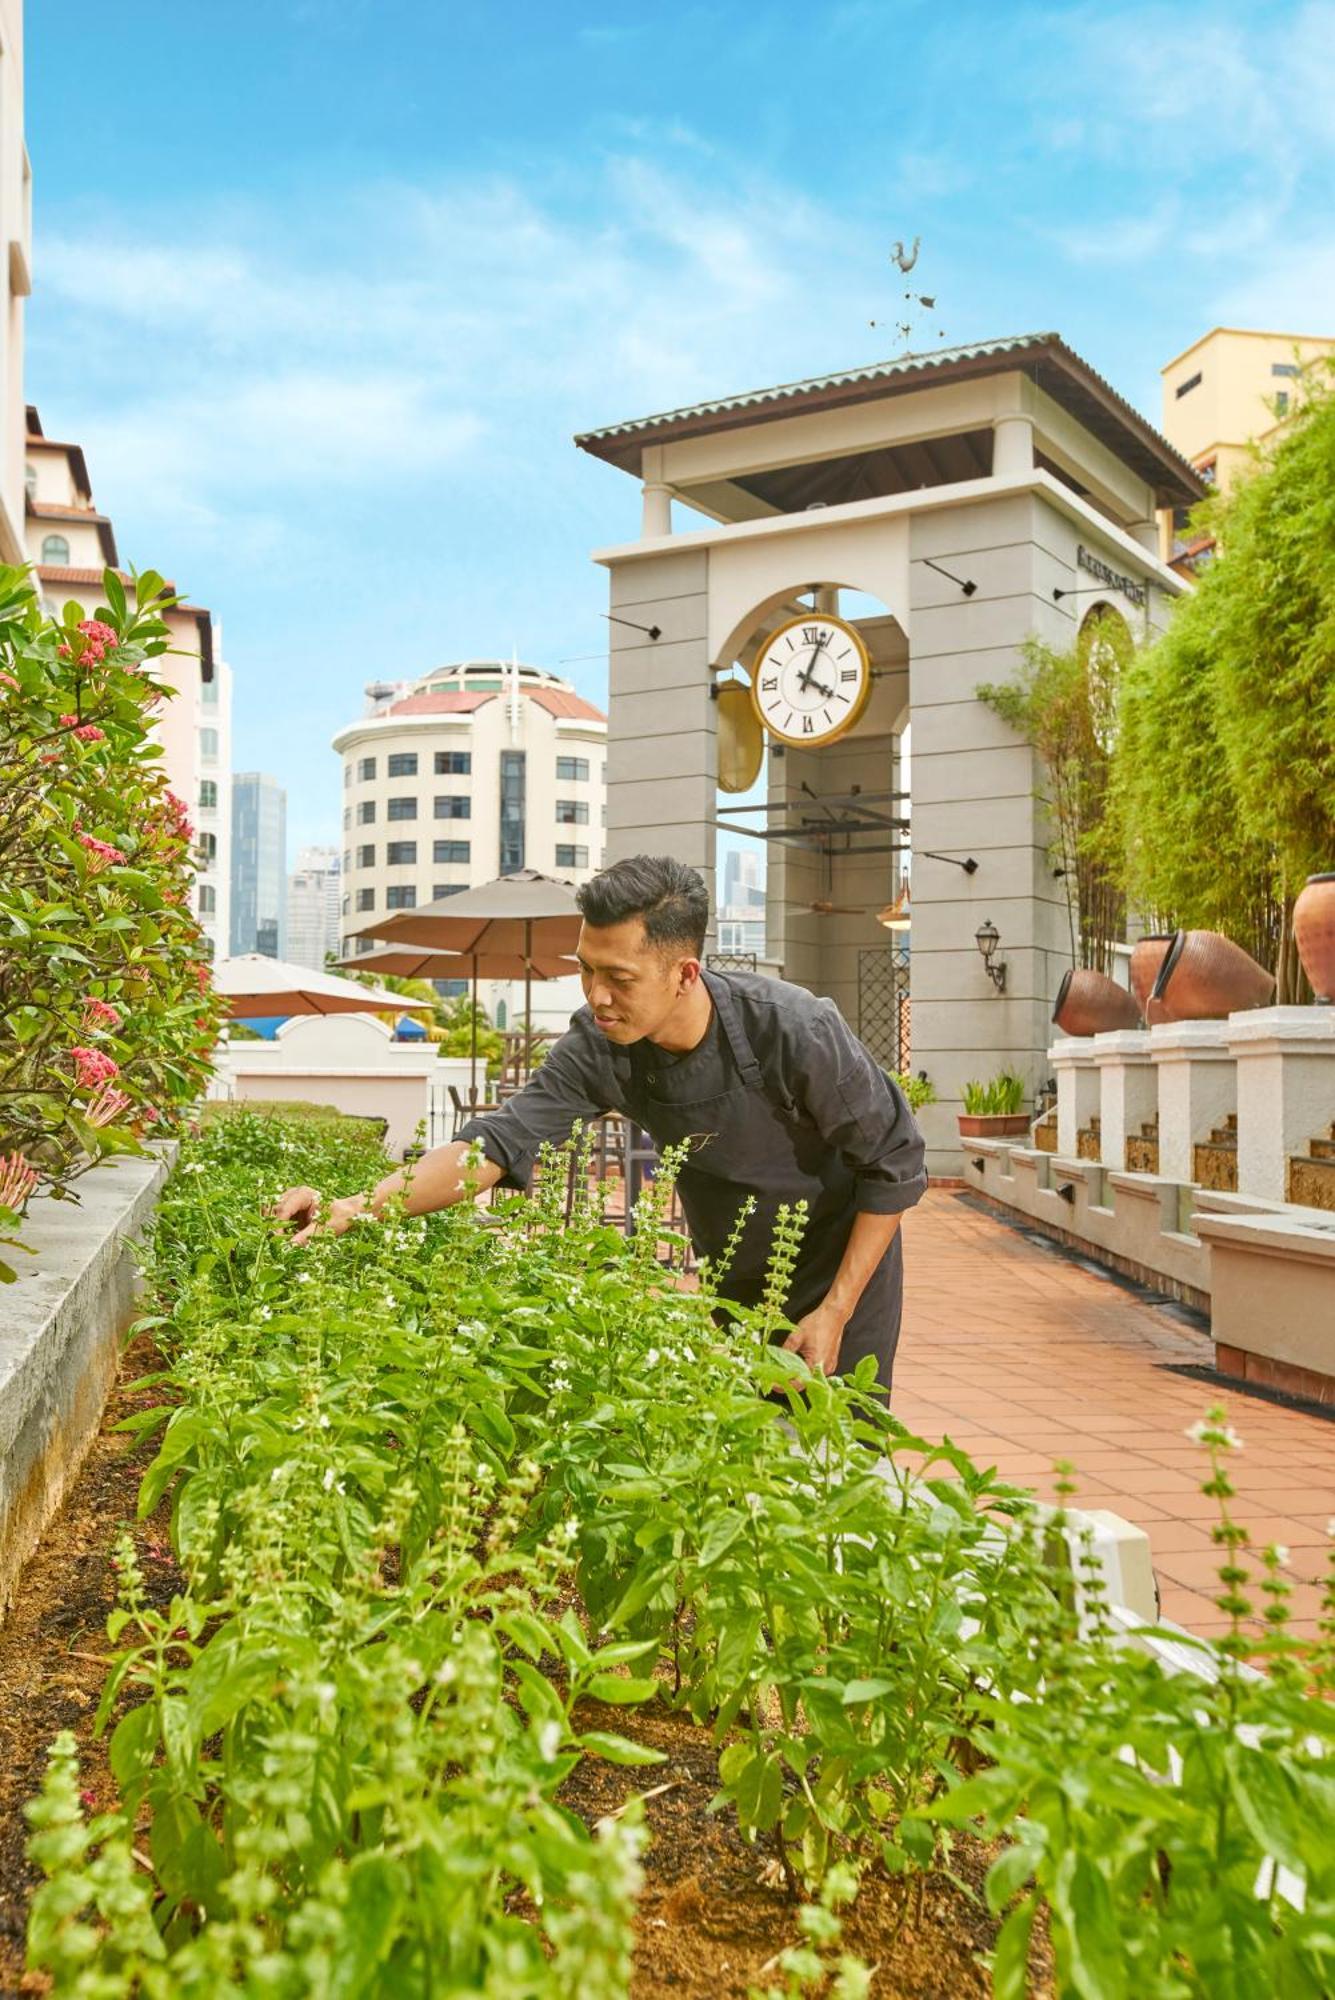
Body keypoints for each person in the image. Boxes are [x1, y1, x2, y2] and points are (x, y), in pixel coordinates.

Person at [274, 856, 927, 1395]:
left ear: (684, 973)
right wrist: (352, 1208)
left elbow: (893, 1162)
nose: (594, 994)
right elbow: (495, 1144)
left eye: (617, 977)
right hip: (733, 1269)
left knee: (837, 1463)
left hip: (843, 1270)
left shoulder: (793, 1029)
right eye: (584, 968)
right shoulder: (601, 1043)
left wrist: (835, 1308)